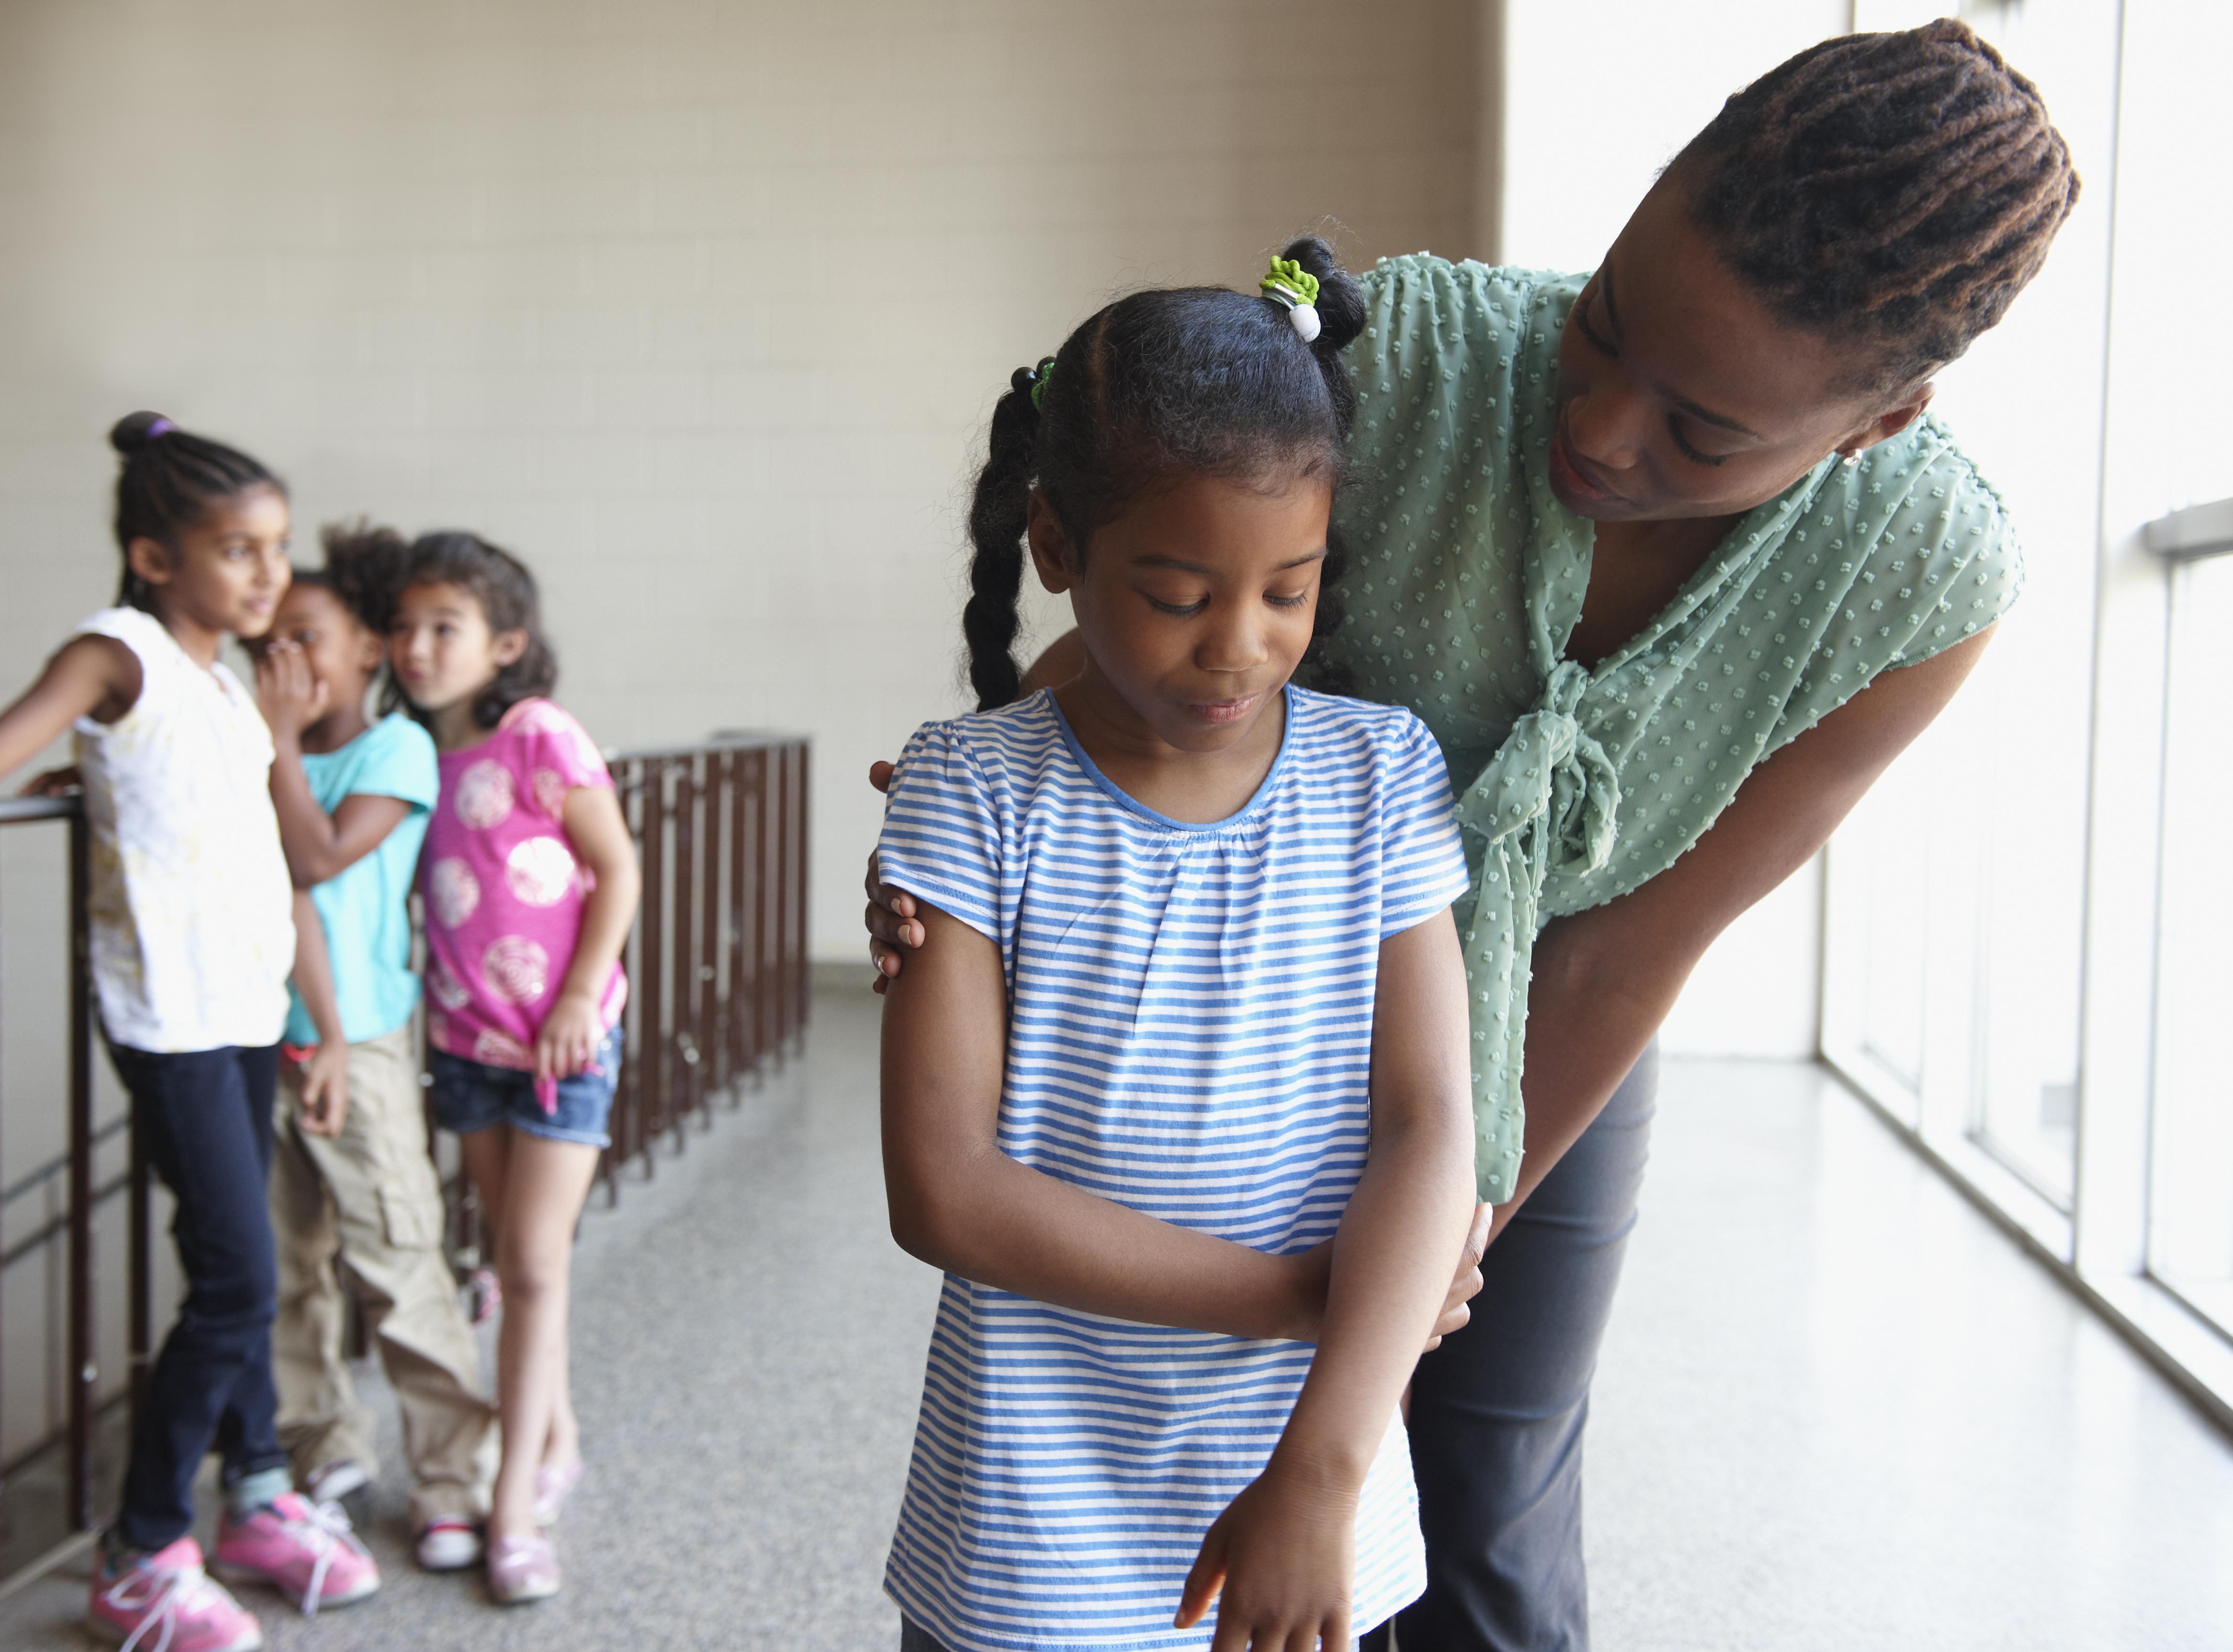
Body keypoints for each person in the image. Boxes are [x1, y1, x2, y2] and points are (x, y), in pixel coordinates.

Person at [864, 20, 2079, 1651]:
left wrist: (1438, 1255)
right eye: (1605, 326)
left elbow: (1635, 942)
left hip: (1541, 1014)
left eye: (1703, 430)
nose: (1602, 424)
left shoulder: (1925, 575)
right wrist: (986, 844)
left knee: (1483, 1512)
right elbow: (1170, 606)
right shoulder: (1416, 352)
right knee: (1154, 1455)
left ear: (1876, 421)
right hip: (1236, 988)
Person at [877, 240, 1487, 1652]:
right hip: (1035, 1517)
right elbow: (946, 1192)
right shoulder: (970, 787)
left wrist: (1323, 1466)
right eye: (1176, 595)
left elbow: (1427, 1119)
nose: (1240, 646)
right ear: (1054, 546)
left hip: (1316, 1475)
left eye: (1290, 588)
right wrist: (1312, 1297)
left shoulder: (1379, 772)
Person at [0, 414, 380, 1651]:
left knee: (234, 1268)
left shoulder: (231, 687)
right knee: (240, 1277)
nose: (263, 574)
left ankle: (253, 1491)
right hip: (172, 1023)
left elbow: (275, 866)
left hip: (248, 1008)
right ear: (153, 555)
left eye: (275, 549)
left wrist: (331, 1027)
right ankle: (141, 1554)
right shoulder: (118, 651)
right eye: (236, 550)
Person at [387, 530, 639, 1604]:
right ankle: (558, 1436)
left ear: (506, 644)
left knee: (534, 1267)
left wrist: (581, 994)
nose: (414, 646)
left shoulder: (538, 735)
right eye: (402, 626)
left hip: (558, 1046)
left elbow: (615, 865)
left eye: (445, 627)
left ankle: (511, 1509)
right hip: (464, 1046)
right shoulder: (410, 756)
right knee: (507, 1259)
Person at [252, 523, 501, 1575]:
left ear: (363, 650)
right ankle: (324, 1449)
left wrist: (274, 742)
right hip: (263, 1038)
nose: (283, 664)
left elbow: (312, 857)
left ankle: (453, 1478)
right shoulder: (268, 749)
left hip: (362, 1041)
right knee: (286, 1266)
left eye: (305, 637)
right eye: (268, 644)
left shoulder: (390, 749)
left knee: (397, 1255)